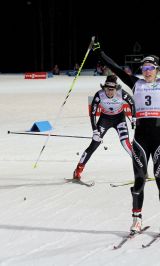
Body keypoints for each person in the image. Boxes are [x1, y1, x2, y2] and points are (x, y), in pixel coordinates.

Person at [93, 41, 160, 234]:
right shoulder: (136, 84)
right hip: (140, 140)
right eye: (144, 68)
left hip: (158, 140)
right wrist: (100, 52)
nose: (147, 72)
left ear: (156, 70)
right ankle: (136, 219)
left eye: (150, 68)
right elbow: (115, 68)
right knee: (139, 178)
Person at [73, 74, 135, 181]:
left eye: (112, 89)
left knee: (126, 144)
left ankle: (141, 169)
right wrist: (95, 130)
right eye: (107, 89)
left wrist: (134, 117)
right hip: (105, 119)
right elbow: (92, 113)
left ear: (116, 89)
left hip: (119, 119)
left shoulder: (121, 93)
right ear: (104, 88)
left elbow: (132, 103)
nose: (110, 92)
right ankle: (78, 170)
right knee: (94, 144)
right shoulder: (99, 95)